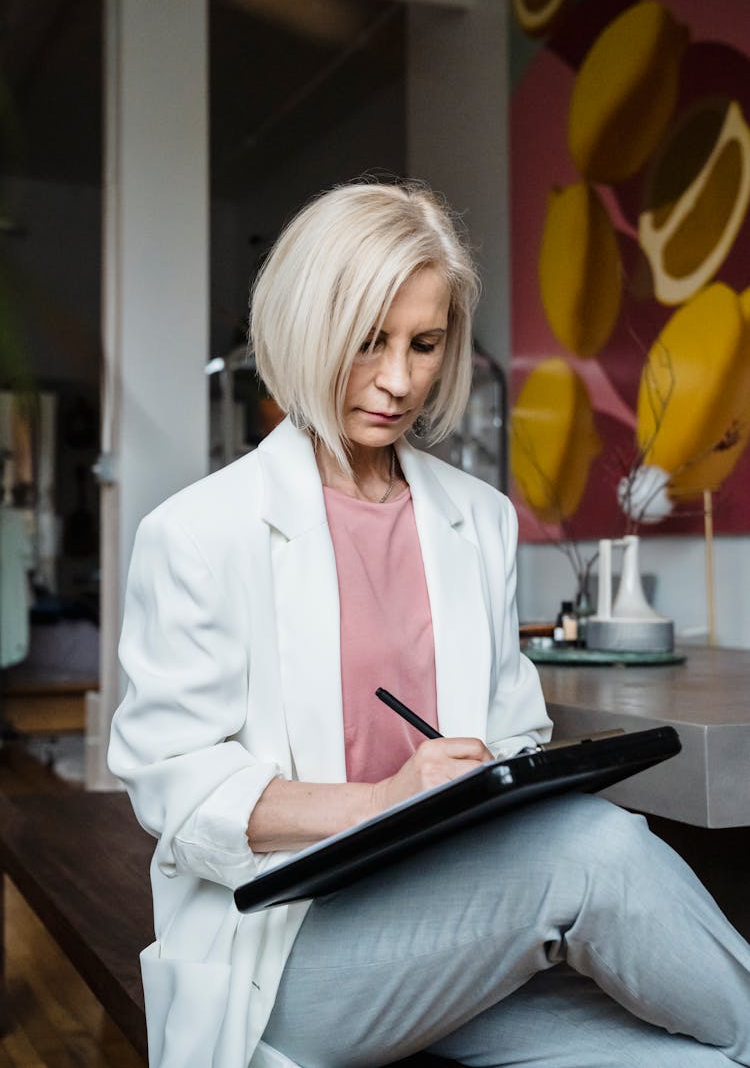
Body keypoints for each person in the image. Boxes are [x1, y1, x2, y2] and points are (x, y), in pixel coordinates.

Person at [108, 181, 750, 1068]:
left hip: (456, 928)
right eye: (370, 341)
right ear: (306, 327)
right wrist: (382, 799)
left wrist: (496, 773)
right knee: (595, 848)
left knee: (698, 1062)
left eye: (425, 342)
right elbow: (176, 788)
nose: (402, 379)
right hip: (288, 962)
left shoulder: (477, 518)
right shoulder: (199, 532)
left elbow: (512, 720)